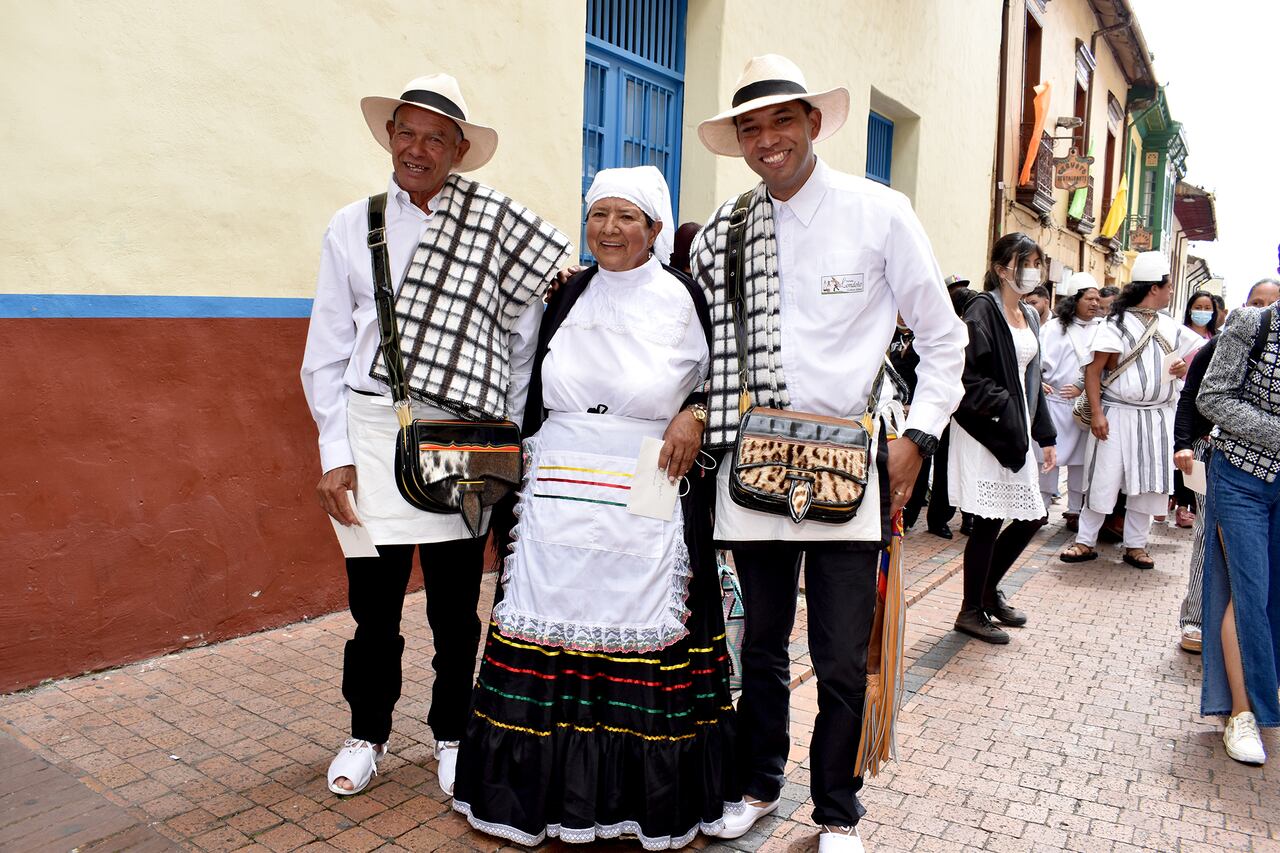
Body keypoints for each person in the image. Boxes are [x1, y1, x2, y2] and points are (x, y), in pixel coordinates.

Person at [689, 54, 966, 852]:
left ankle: (837, 809)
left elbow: (944, 341)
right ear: (739, 140)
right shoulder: (729, 230)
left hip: (852, 463)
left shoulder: (879, 212)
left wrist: (916, 439)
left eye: (783, 119)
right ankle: (756, 782)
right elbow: (695, 338)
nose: (768, 138)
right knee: (761, 641)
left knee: (842, 653)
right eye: (751, 126)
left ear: (814, 123)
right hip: (755, 460)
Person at [300, 74, 572, 797]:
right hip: (368, 435)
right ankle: (367, 732)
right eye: (406, 132)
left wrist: (502, 435)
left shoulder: (492, 230)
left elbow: (520, 342)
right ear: (390, 136)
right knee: (372, 607)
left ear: (458, 151)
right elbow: (325, 351)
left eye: (435, 138)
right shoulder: (350, 225)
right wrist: (333, 455)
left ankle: (453, 733)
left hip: (463, 440)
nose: (417, 149)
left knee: (455, 609)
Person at [451, 166, 739, 847]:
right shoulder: (568, 292)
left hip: (648, 473)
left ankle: (638, 800)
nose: (609, 228)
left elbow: (726, 377)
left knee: (640, 618)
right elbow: (524, 377)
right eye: (599, 214)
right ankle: (533, 796)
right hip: (558, 480)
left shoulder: (685, 297)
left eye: (626, 216)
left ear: (656, 229)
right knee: (553, 620)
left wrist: (694, 413)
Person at [1059, 252, 1201, 569]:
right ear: (1154, 288)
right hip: (1117, 413)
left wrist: (1179, 370)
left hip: (1157, 416)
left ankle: (1136, 545)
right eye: (1168, 286)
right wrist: (1096, 413)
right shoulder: (1115, 325)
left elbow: (1189, 363)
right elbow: (1094, 372)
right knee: (1103, 478)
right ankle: (1084, 541)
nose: (1172, 292)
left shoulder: (1171, 326)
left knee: (1148, 481)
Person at [948, 233, 1056, 643]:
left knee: (1032, 515)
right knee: (989, 521)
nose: (1031, 270)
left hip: (1015, 429)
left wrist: (1044, 434)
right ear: (1000, 269)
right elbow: (967, 375)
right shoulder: (981, 310)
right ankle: (970, 610)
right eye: (1023, 262)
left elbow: (1033, 378)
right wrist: (1006, 408)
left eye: (1036, 263)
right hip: (986, 431)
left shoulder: (1028, 315)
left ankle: (986, 592)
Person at [1175, 279, 1280, 655]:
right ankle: (1196, 620)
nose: (1262, 308)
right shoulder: (1226, 343)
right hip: (1217, 454)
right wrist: (1183, 444)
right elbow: (1194, 398)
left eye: (1271, 302)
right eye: (1256, 301)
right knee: (1207, 536)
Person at [1197, 295, 1280, 765]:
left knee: (1272, 594)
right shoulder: (1254, 323)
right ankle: (1241, 715)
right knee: (1248, 590)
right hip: (1242, 479)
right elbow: (1213, 397)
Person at [1037, 272, 1102, 530]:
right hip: (1052, 402)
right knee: (1046, 458)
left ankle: (1075, 510)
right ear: (1075, 299)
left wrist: (1082, 387)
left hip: (1082, 408)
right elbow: (1034, 360)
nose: (1095, 304)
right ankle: (1040, 508)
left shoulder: (1103, 330)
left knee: (1080, 462)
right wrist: (1037, 382)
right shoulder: (1052, 328)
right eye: (1089, 298)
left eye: (1097, 299)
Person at [1171, 290, 1220, 527]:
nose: (1202, 312)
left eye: (1207, 307)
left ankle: (1192, 505)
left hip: (1206, 408)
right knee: (1183, 452)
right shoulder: (1178, 335)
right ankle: (1180, 503)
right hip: (1180, 401)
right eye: (1198, 307)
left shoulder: (1217, 339)